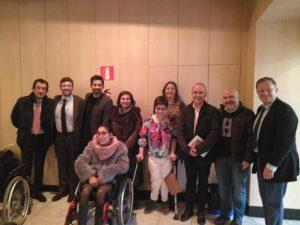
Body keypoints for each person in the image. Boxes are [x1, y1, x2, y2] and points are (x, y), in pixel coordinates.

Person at [252, 77, 299, 225]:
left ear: (276, 90)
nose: (264, 93)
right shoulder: (262, 109)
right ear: (257, 92)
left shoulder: (284, 110)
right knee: (267, 200)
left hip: (276, 165)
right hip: (262, 161)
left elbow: (284, 143)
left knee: (273, 202)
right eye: (261, 90)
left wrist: (271, 166)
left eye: (268, 90)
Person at [177, 83, 220, 225]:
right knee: (190, 183)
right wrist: (187, 149)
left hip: (204, 155)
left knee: (202, 183)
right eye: (195, 92)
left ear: (205, 94)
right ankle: (189, 209)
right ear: (191, 94)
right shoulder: (185, 110)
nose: (197, 95)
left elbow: (214, 134)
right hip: (188, 154)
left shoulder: (213, 111)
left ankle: (201, 211)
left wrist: (199, 149)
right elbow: (180, 132)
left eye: (200, 92)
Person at [215, 88, 255, 225]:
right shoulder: (219, 113)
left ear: (238, 97)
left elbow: (252, 139)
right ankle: (224, 214)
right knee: (223, 189)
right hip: (220, 159)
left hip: (239, 160)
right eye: (225, 98)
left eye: (231, 97)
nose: (228, 100)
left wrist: (248, 158)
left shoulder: (248, 114)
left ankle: (238, 218)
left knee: (239, 191)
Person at [74, 125, 129, 225]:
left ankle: (98, 222)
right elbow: (80, 162)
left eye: (104, 133)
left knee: (100, 193)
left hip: (109, 180)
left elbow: (124, 165)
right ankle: (81, 223)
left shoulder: (120, 147)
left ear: (110, 135)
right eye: (98, 133)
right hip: (92, 177)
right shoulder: (91, 145)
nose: (100, 136)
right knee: (85, 191)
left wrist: (106, 174)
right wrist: (90, 176)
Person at [11, 78, 53, 202]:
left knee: (39, 167)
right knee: (26, 167)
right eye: (38, 88)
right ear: (33, 89)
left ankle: (37, 191)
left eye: (44, 89)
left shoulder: (50, 103)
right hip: (27, 139)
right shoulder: (22, 101)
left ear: (46, 91)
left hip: (42, 139)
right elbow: (14, 119)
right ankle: (25, 192)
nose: (41, 90)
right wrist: (25, 129)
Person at [136, 96, 177, 215]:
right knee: (155, 181)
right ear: (154, 108)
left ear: (166, 109)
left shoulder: (170, 122)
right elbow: (142, 138)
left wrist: (173, 152)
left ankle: (165, 202)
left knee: (166, 181)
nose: (160, 111)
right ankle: (153, 200)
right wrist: (140, 152)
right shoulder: (148, 121)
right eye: (157, 108)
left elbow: (174, 139)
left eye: (163, 108)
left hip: (166, 158)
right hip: (153, 158)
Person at [51, 77, 84, 202]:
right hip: (59, 137)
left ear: (72, 87)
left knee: (72, 164)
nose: (66, 87)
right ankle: (62, 190)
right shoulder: (55, 101)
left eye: (69, 85)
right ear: (60, 87)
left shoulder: (79, 102)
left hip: (73, 137)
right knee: (61, 164)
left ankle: (73, 191)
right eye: (64, 85)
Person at [111, 91, 143, 202]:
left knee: (130, 174)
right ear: (119, 100)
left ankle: (130, 200)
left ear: (131, 100)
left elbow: (137, 130)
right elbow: (109, 130)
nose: (125, 101)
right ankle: (117, 198)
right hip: (115, 149)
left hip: (131, 149)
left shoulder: (135, 113)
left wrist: (125, 146)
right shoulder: (114, 113)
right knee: (117, 173)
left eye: (127, 99)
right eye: (123, 99)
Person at [81, 75, 113, 151]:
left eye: (99, 85)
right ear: (91, 85)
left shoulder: (107, 101)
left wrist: (100, 136)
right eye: (95, 85)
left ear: (103, 86)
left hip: (97, 137)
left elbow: (106, 121)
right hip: (84, 136)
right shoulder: (87, 96)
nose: (97, 87)